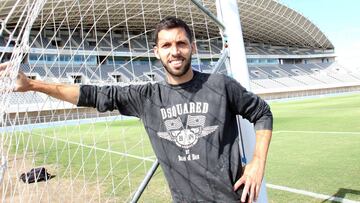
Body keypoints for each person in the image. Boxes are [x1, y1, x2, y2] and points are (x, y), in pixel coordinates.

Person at [2, 16, 272, 202]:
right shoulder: (147, 96)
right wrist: (34, 85)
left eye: (181, 43)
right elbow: (91, 94)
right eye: (166, 45)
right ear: (156, 52)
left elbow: (262, 113)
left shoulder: (220, 85)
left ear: (193, 47)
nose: (174, 51)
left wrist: (258, 162)